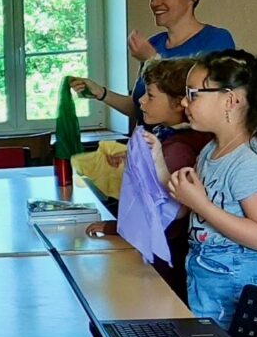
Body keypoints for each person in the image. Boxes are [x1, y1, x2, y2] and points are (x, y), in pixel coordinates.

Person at [147, 50, 257, 328]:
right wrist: (158, 161)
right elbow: (185, 207)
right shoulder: (210, 151)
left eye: (193, 94)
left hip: (239, 290)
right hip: (207, 281)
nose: (184, 102)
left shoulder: (251, 162)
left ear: (230, 100)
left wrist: (200, 204)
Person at [86, 59, 212, 294]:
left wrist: (117, 228)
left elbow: (168, 215)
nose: (141, 101)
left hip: (167, 261)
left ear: (179, 103)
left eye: (150, 96)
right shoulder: (170, 138)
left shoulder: (179, 149)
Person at [69, 0, 236, 125]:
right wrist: (101, 93)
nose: (155, 3)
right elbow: (141, 108)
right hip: (147, 142)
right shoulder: (154, 43)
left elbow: (206, 108)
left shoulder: (216, 39)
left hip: (183, 143)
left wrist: (153, 61)